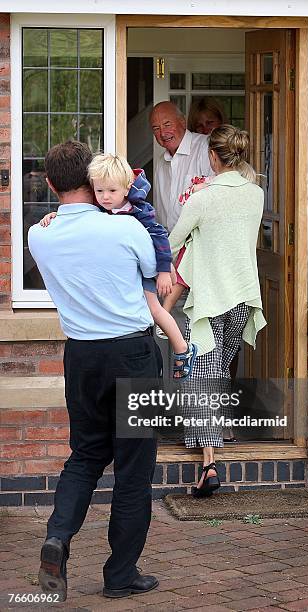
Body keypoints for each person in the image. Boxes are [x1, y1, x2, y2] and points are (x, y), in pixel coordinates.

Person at [28, 141, 163, 601]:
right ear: (91, 181)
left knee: (85, 456)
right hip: (133, 355)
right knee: (133, 469)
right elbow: (153, 270)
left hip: (81, 356)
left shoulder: (38, 235)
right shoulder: (125, 230)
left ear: (49, 185)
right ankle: (121, 575)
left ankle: (58, 538)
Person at [169, 125, 267, 497]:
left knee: (198, 376)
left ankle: (209, 463)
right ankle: (215, 431)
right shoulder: (256, 194)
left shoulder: (203, 198)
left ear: (212, 156)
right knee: (218, 369)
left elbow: (172, 240)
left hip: (210, 299)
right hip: (243, 296)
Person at [40, 153, 197, 380]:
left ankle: (182, 349)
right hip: (132, 274)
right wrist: (57, 214)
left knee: (155, 310)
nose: (104, 197)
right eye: (99, 191)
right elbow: (74, 212)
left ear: (126, 188)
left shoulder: (138, 210)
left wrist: (164, 269)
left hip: (148, 268)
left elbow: (160, 236)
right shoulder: (104, 207)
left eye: (111, 191)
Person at [149, 101, 214, 232]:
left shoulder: (205, 147)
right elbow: (161, 213)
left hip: (198, 243)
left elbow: (218, 199)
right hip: (170, 245)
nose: (162, 133)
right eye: (156, 128)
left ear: (183, 122)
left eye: (167, 125)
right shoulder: (161, 162)